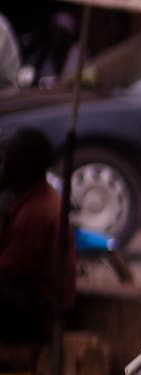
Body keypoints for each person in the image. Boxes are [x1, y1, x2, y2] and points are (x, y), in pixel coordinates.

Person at [0, 129, 73, 354]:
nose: (4, 166)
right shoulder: (33, 199)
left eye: (9, 159)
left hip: (38, 313)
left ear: (25, 165)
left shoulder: (37, 212)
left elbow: (12, 269)